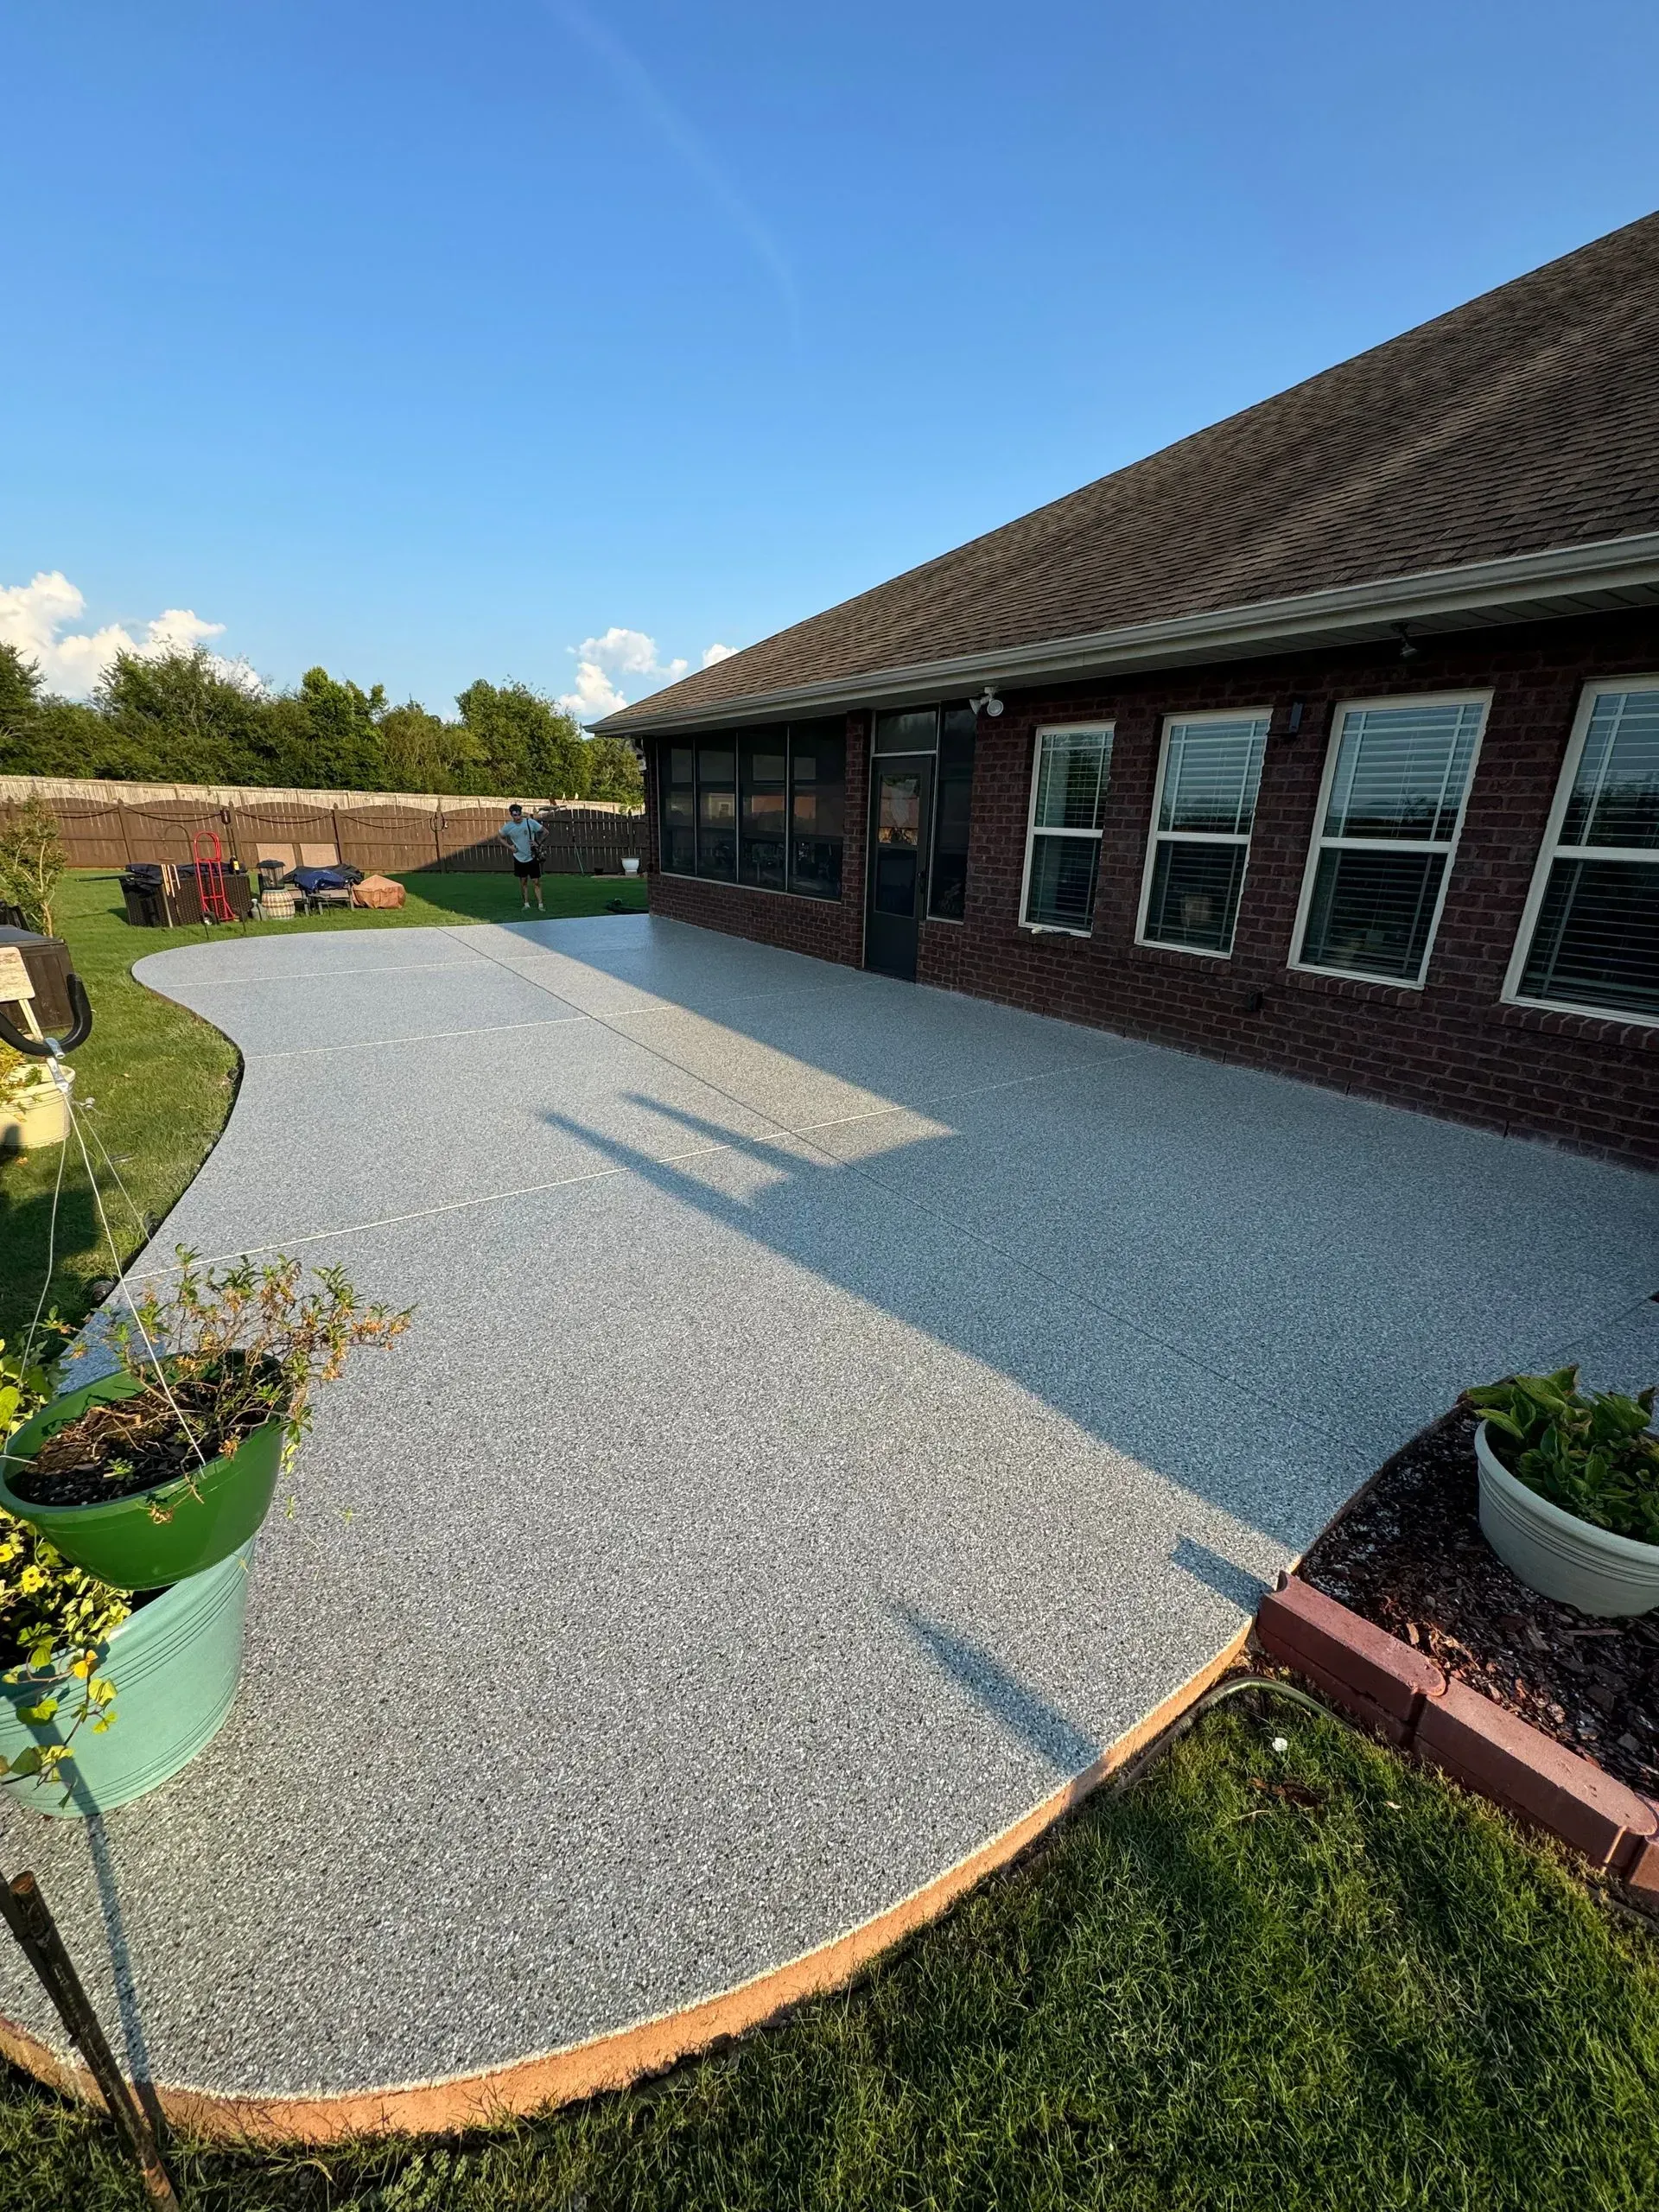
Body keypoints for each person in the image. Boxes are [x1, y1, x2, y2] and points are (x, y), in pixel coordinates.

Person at [497, 803, 546, 911]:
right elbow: (500, 838)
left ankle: (540, 905)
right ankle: (526, 904)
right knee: (523, 881)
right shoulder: (508, 827)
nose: (518, 817)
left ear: (521, 813)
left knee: (536, 881)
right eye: (515, 815)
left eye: (519, 814)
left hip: (532, 856)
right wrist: (510, 847)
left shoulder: (530, 822)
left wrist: (537, 842)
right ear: (511, 815)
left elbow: (545, 832)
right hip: (519, 857)